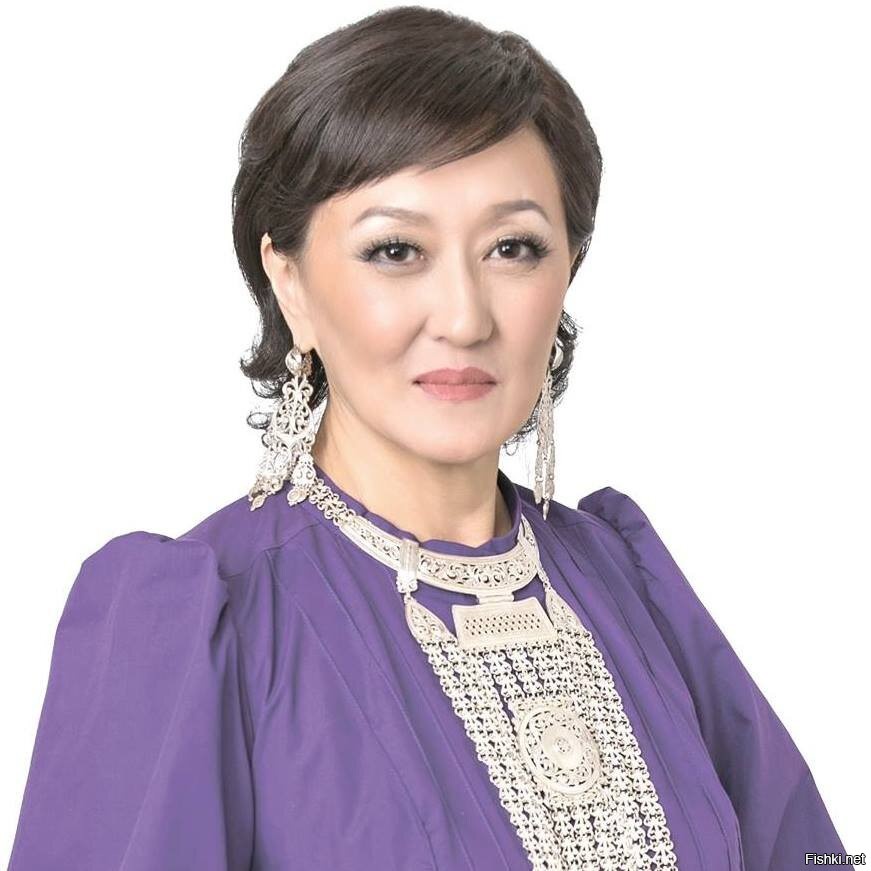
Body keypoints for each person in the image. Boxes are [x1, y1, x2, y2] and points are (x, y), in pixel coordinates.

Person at [7, 7, 848, 870]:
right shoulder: (189, 624)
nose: (464, 316)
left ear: (568, 271)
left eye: (513, 247)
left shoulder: (632, 583)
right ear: (289, 282)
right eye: (396, 250)